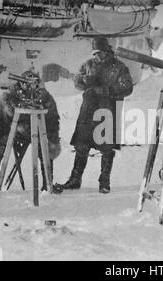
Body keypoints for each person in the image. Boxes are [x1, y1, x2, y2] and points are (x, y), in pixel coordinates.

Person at [55, 37, 133, 194]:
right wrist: (84, 80)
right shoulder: (88, 65)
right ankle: (75, 180)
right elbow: (77, 81)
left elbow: (127, 87)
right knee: (81, 145)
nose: (99, 56)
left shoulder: (119, 67)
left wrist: (106, 91)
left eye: (101, 53)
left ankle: (104, 182)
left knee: (106, 147)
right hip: (88, 111)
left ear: (107, 52)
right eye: (96, 53)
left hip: (107, 110)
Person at [0, 70, 61, 196]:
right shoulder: (7, 97)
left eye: (33, 83)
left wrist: (52, 140)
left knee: (47, 148)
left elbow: (53, 121)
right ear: (20, 83)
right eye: (25, 83)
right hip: (12, 132)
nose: (29, 87)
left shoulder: (46, 98)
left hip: (38, 132)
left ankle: (47, 184)